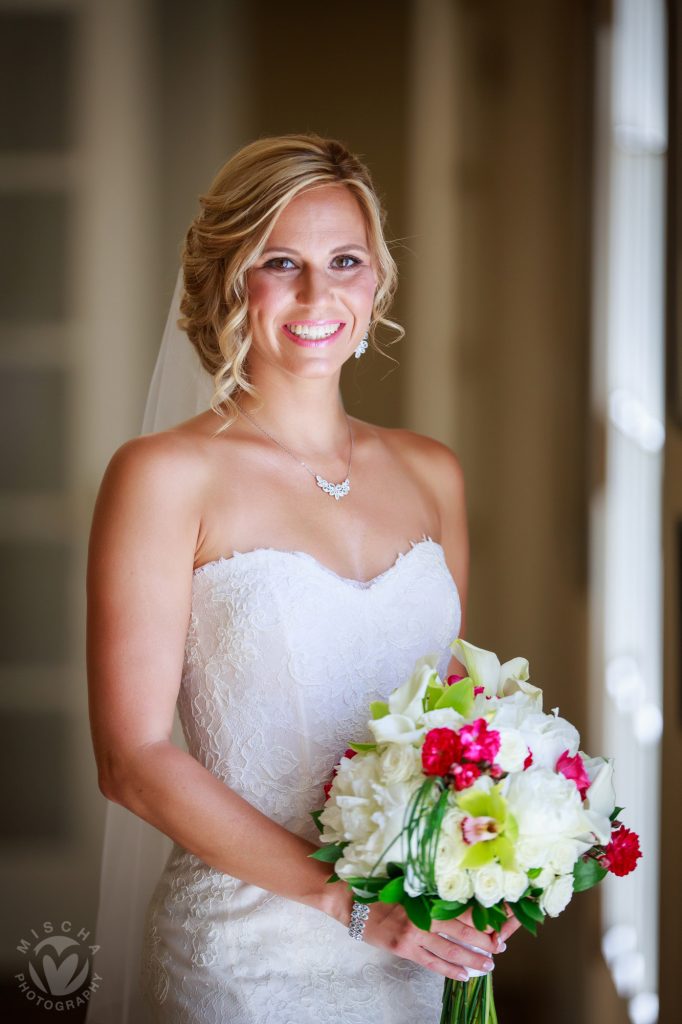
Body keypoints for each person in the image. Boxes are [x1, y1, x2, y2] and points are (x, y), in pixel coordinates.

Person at [86, 133, 519, 1023]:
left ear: (377, 280)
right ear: (228, 280)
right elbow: (133, 761)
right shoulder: (162, 476)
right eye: (280, 263)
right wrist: (350, 906)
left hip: (415, 949)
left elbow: (449, 720)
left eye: (345, 261)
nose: (319, 296)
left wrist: (491, 859)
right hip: (246, 962)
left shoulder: (432, 472)